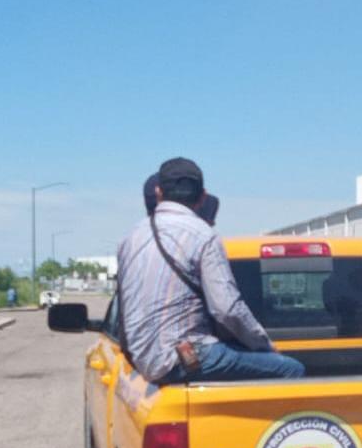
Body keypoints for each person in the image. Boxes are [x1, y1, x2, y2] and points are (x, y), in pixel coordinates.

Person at [118, 157, 303, 384]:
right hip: (182, 359)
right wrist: (264, 345)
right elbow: (226, 309)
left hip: (146, 361)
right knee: (292, 370)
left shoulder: (131, 238)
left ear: (158, 192)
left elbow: (126, 312)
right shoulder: (203, 235)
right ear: (202, 196)